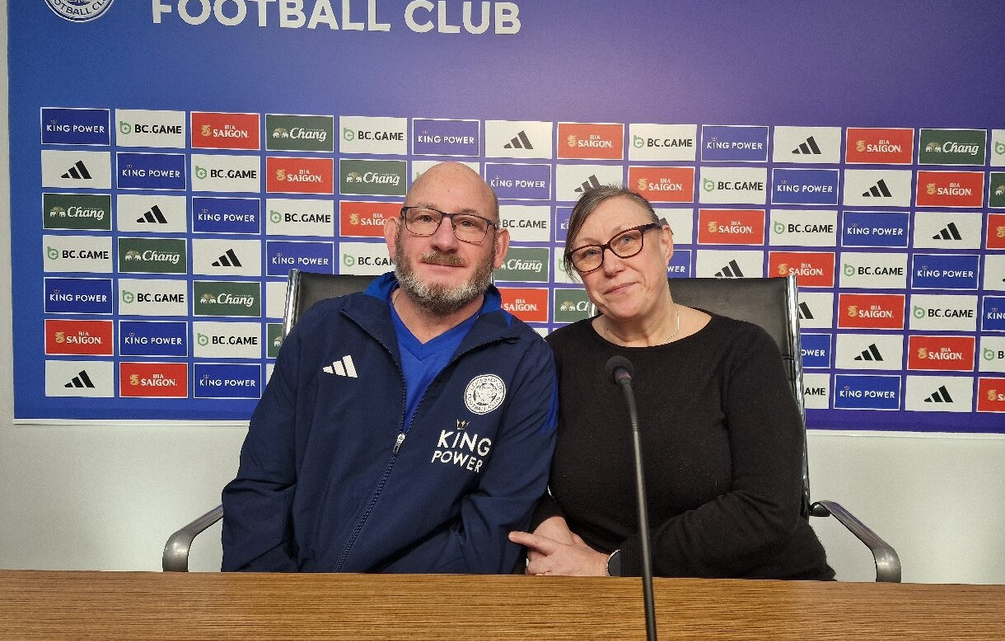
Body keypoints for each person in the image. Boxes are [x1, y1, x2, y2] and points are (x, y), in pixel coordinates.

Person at [222, 161, 558, 573]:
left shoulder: (525, 359)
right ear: (393, 235)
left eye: (469, 224)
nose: (445, 239)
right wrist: (275, 599)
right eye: (425, 219)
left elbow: (494, 526)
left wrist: (390, 610)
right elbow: (261, 484)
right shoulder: (322, 330)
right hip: (296, 597)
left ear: (499, 248)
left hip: (433, 610)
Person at [509, 186, 834, 580]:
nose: (611, 265)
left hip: (758, 585)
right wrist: (549, 521)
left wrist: (615, 565)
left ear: (664, 243)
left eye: (627, 240)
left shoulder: (743, 350)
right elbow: (515, 474)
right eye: (590, 253)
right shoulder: (555, 356)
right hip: (601, 596)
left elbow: (765, 508)